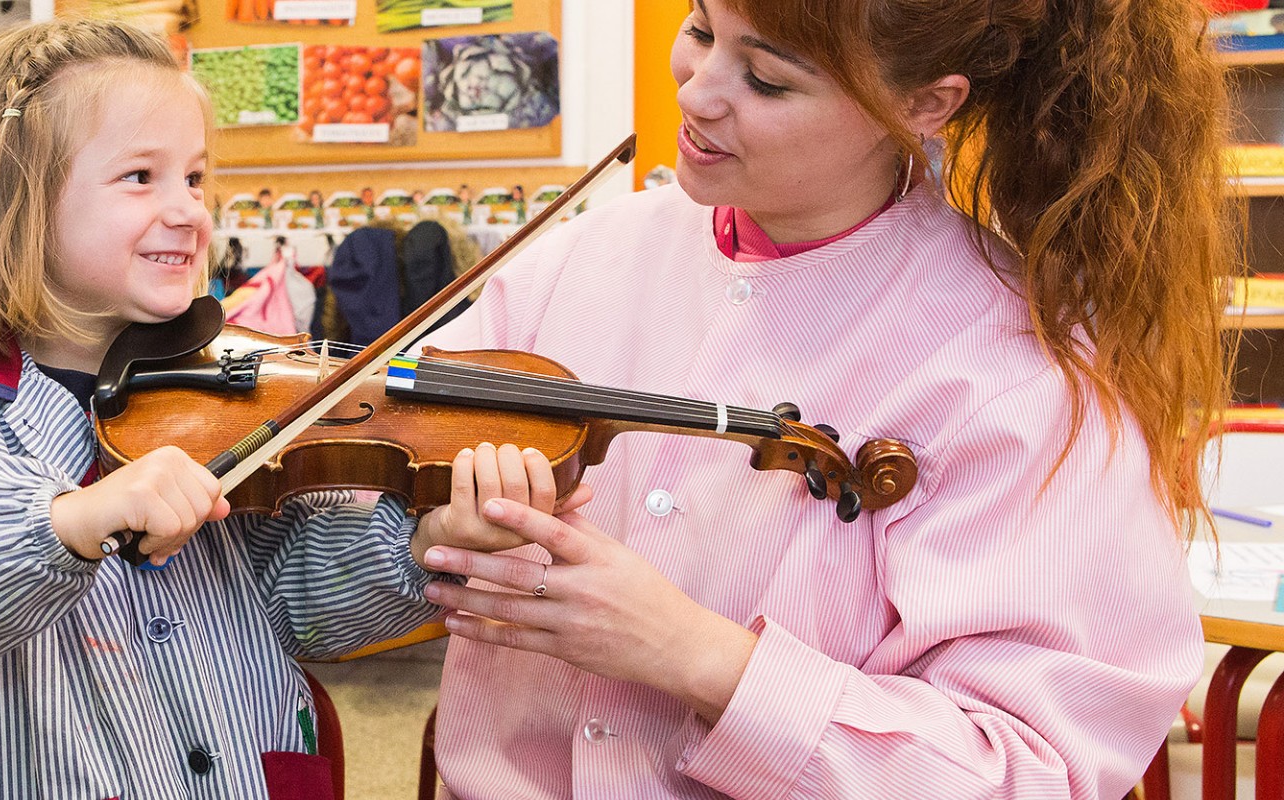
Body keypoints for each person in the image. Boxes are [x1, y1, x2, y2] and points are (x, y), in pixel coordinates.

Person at [416, 0, 1225, 797]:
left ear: (923, 104)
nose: (696, 91)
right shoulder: (573, 263)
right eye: (699, 29)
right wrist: (433, 537)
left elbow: (1030, 769)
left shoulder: (1017, 370)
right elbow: (350, 554)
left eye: (766, 79)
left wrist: (700, 657)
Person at [0, 18, 534, 798]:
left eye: (193, 177)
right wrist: (67, 522)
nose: (187, 209)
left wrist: (421, 543)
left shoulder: (218, 399)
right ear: (13, 202)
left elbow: (298, 606)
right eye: (140, 178)